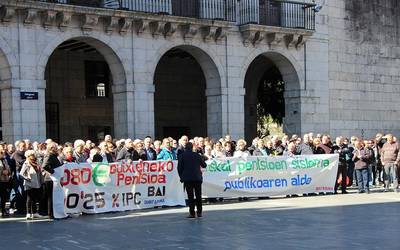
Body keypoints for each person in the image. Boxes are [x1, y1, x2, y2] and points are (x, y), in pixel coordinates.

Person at [177, 142, 207, 218]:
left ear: (185, 148)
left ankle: (192, 213)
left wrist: (181, 177)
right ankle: (199, 212)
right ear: (192, 147)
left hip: (187, 179)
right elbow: (204, 165)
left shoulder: (182, 156)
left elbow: (179, 168)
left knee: (190, 196)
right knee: (198, 195)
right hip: (197, 178)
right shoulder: (197, 155)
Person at [20, 150, 44, 220]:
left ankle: (34, 213)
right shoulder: (26, 163)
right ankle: (28, 213)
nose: (33, 156)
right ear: (28, 156)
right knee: (29, 198)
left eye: (34, 155)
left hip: (36, 183)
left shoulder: (36, 163)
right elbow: (21, 173)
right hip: (29, 184)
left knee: (34, 198)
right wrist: (28, 178)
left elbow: (39, 172)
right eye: (32, 155)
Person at [41, 142, 62, 218]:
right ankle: (50, 213)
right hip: (50, 178)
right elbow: (44, 166)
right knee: (51, 196)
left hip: (54, 178)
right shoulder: (49, 155)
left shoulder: (54, 155)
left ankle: (53, 212)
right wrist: (53, 172)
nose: (57, 149)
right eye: (55, 147)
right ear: (52, 148)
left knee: (53, 196)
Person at [0, 146, 11, 217]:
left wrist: (8, 172)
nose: (3, 153)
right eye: (1, 152)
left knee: (3, 196)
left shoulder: (4, 160)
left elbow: (8, 168)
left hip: (4, 180)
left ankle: (3, 210)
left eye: (3, 152)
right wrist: (1, 172)